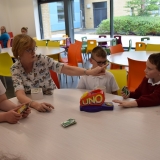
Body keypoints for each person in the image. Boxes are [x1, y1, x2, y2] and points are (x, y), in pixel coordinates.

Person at [11, 34, 107, 112]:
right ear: (19, 52)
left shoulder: (42, 59)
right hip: (32, 104)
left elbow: (66, 69)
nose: (33, 52)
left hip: (53, 98)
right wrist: (35, 105)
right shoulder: (16, 69)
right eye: (29, 50)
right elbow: (20, 95)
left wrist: (88, 72)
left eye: (33, 48)